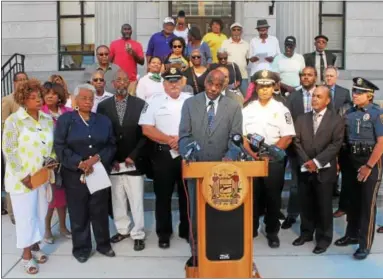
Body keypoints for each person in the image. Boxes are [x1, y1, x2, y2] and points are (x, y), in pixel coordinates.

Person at [179, 70, 243, 267]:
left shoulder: (233, 106)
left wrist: (229, 158)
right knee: (196, 213)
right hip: (196, 169)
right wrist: (189, 152)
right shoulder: (190, 104)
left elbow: (236, 138)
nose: (213, 89)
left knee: (220, 213)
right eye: (210, 84)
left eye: (218, 85)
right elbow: (184, 135)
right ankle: (197, 251)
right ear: (204, 82)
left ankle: (220, 249)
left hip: (222, 172)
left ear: (224, 85)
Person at [54, 84, 116, 263]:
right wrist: (79, 163)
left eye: (91, 98)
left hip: (98, 172)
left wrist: (95, 159)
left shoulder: (103, 121)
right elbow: (60, 145)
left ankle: (103, 245)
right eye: (84, 98)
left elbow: (111, 145)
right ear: (75, 100)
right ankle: (81, 248)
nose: (88, 101)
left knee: (99, 210)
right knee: (78, 211)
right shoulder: (66, 120)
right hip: (74, 175)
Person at [2, 79, 55, 274]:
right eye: (32, 98)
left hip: (41, 177)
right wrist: (23, 176)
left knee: (40, 214)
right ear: (23, 100)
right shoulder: (13, 121)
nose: (38, 100)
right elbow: (9, 149)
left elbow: (50, 146)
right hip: (22, 180)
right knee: (26, 218)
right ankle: (26, 256)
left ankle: (35, 246)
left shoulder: (47, 120)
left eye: (39, 96)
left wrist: (52, 161)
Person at [242, 70, 295, 248]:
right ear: (255, 87)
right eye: (261, 86)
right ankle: (252, 228)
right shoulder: (247, 109)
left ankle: (272, 231)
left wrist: (270, 154)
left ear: (274, 87)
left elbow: (287, 136)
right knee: (252, 195)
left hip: (274, 159)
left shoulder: (282, 109)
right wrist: (252, 154)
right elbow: (242, 136)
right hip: (252, 158)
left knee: (273, 197)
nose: (264, 90)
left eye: (268, 86)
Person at [138, 68, 190, 249]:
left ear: (182, 82)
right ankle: (164, 233)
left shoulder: (191, 100)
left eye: (177, 80)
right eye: (170, 81)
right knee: (163, 196)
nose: (174, 84)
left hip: (187, 154)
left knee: (187, 195)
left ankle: (187, 230)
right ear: (163, 83)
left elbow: (199, 126)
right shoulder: (153, 101)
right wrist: (169, 139)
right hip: (163, 154)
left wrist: (181, 140)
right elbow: (146, 128)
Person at [97, 70, 148, 251]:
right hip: (113, 162)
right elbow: (102, 134)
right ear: (113, 83)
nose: (121, 83)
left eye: (124, 80)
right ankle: (122, 229)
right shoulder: (103, 106)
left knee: (136, 200)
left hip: (133, 161)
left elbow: (145, 134)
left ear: (129, 83)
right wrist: (110, 158)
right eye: (118, 80)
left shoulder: (141, 104)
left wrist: (132, 156)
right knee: (117, 199)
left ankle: (138, 233)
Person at [334, 78, 383, 260]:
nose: (355, 95)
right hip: (350, 160)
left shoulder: (377, 113)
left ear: (369, 96)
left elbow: (381, 143)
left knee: (367, 205)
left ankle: (365, 243)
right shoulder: (349, 113)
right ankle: (351, 234)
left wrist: (369, 166)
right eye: (354, 91)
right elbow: (344, 139)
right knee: (352, 202)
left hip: (369, 161)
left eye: (359, 92)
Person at [292, 86, 344, 254]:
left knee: (323, 206)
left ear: (327, 100)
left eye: (319, 96)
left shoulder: (336, 120)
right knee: (306, 204)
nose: (314, 99)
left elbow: (336, 145)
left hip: (324, 170)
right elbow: (296, 142)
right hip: (305, 168)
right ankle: (306, 233)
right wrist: (307, 162)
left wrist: (316, 162)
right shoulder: (301, 119)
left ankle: (323, 238)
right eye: (314, 96)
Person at [283, 66, 318, 229]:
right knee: (296, 184)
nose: (306, 77)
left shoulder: (322, 94)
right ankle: (292, 215)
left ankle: (314, 216)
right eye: (303, 75)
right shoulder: (292, 97)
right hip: (296, 147)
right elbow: (287, 122)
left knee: (316, 184)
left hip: (319, 148)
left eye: (309, 75)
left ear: (315, 77)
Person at [41, 82, 72, 244]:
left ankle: (62, 226)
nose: (50, 96)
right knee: (50, 198)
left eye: (53, 93)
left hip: (66, 160)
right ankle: (46, 228)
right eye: (47, 93)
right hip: (49, 163)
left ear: (59, 95)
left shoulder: (68, 112)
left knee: (63, 197)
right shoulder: (40, 114)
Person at [2, 71, 28, 224]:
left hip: (29, 147)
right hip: (14, 145)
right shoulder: (7, 100)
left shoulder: (30, 98)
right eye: (20, 80)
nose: (23, 82)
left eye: (25, 79)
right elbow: (3, 124)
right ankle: (12, 212)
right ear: (14, 83)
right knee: (14, 177)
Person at [221, 22, 250, 95]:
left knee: (246, 97)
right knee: (227, 96)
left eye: (238, 29)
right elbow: (221, 58)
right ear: (231, 31)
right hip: (229, 76)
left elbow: (247, 59)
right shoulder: (225, 43)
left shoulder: (246, 44)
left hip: (243, 76)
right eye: (234, 30)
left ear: (241, 31)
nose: (236, 31)